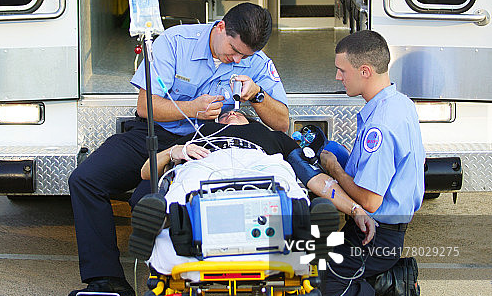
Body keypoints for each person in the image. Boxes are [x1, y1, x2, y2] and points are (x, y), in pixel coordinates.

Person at [67, 3, 289, 296]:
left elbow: (282, 123)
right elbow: (144, 106)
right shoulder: (174, 43)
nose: (236, 60)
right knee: (85, 179)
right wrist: (191, 108)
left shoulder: (258, 63)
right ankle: (106, 281)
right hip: (155, 133)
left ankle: (171, 279)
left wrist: (257, 95)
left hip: (209, 142)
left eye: (244, 57)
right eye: (233, 51)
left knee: (146, 199)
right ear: (221, 27)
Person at [130, 109, 377, 268]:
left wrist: (355, 209)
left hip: (259, 167)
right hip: (205, 166)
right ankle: (167, 221)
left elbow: (312, 177)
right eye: (224, 114)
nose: (230, 113)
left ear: (252, 120)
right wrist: (175, 151)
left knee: (285, 185)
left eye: (238, 112)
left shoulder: (274, 137)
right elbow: (145, 172)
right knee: (187, 186)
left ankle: (305, 221)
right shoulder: (198, 134)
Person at [317, 30, 425, 296]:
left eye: (342, 70)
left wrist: (335, 170)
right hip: (381, 232)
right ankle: (379, 273)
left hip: (375, 238)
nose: (339, 77)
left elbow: (369, 200)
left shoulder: (381, 124)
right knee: (307, 267)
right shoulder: (397, 102)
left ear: (365, 71)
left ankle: (389, 282)